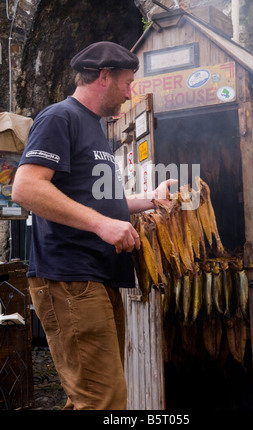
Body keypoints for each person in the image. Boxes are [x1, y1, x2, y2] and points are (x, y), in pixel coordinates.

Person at [12, 41, 175, 410]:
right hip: (70, 278)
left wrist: (150, 201)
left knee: (90, 397)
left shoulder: (95, 129)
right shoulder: (59, 117)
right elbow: (26, 187)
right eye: (128, 82)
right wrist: (102, 225)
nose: (130, 92)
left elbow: (97, 200)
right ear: (105, 77)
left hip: (97, 279)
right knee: (104, 401)